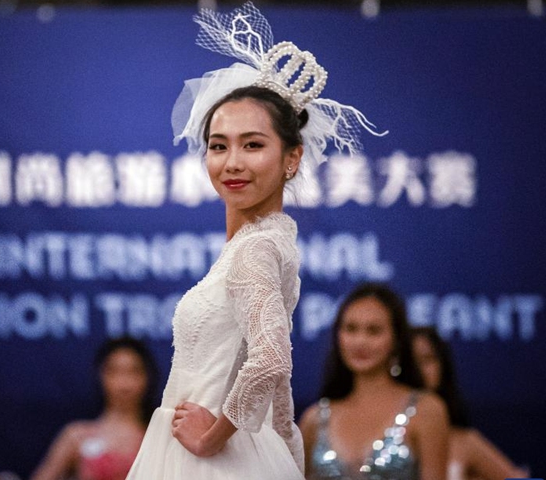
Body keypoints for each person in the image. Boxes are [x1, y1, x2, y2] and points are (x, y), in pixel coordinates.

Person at [127, 3, 384, 479]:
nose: (232, 162)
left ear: (291, 159)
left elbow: (270, 360)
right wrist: (285, 450)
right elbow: (278, 386)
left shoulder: (256, 249)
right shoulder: (265, 241)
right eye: (219, 145)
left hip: (211, 458)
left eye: (253, 144)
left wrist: (212, 435)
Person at [298, 283, 449, 479]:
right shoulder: (315, 419)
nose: (360, 341)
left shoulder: (426, 410)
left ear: (396, 340)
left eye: (374, 331)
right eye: (351, 329)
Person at [30, 336, 158, 480]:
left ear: (148, 377)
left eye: (134, 372)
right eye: (114, 372)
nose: (124, 383)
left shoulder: (160, 437)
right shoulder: (76, 436)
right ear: (101, 375)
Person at [410, 326, 529, 480]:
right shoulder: (380, 435)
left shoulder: (463, 442)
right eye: (411, 361)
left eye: (427, 359)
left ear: (443, 366)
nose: (419, 370)